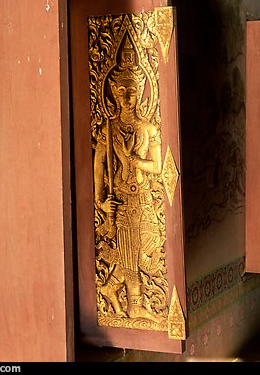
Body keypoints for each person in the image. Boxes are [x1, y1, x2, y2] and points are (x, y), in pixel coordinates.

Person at [92, 37, 166, 323]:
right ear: (112, 92)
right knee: (129, 251)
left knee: (151, 244)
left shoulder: (148, 128)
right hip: (121, 200)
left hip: (144, 198)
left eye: (132, 91)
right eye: (121, 90)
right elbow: (99, 166)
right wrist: (100, 202)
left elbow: (158, 166)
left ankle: (111, 287)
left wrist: (132, 160)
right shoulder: (108, 130)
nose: (126, 96)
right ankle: (135, 305)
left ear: (140, 93)